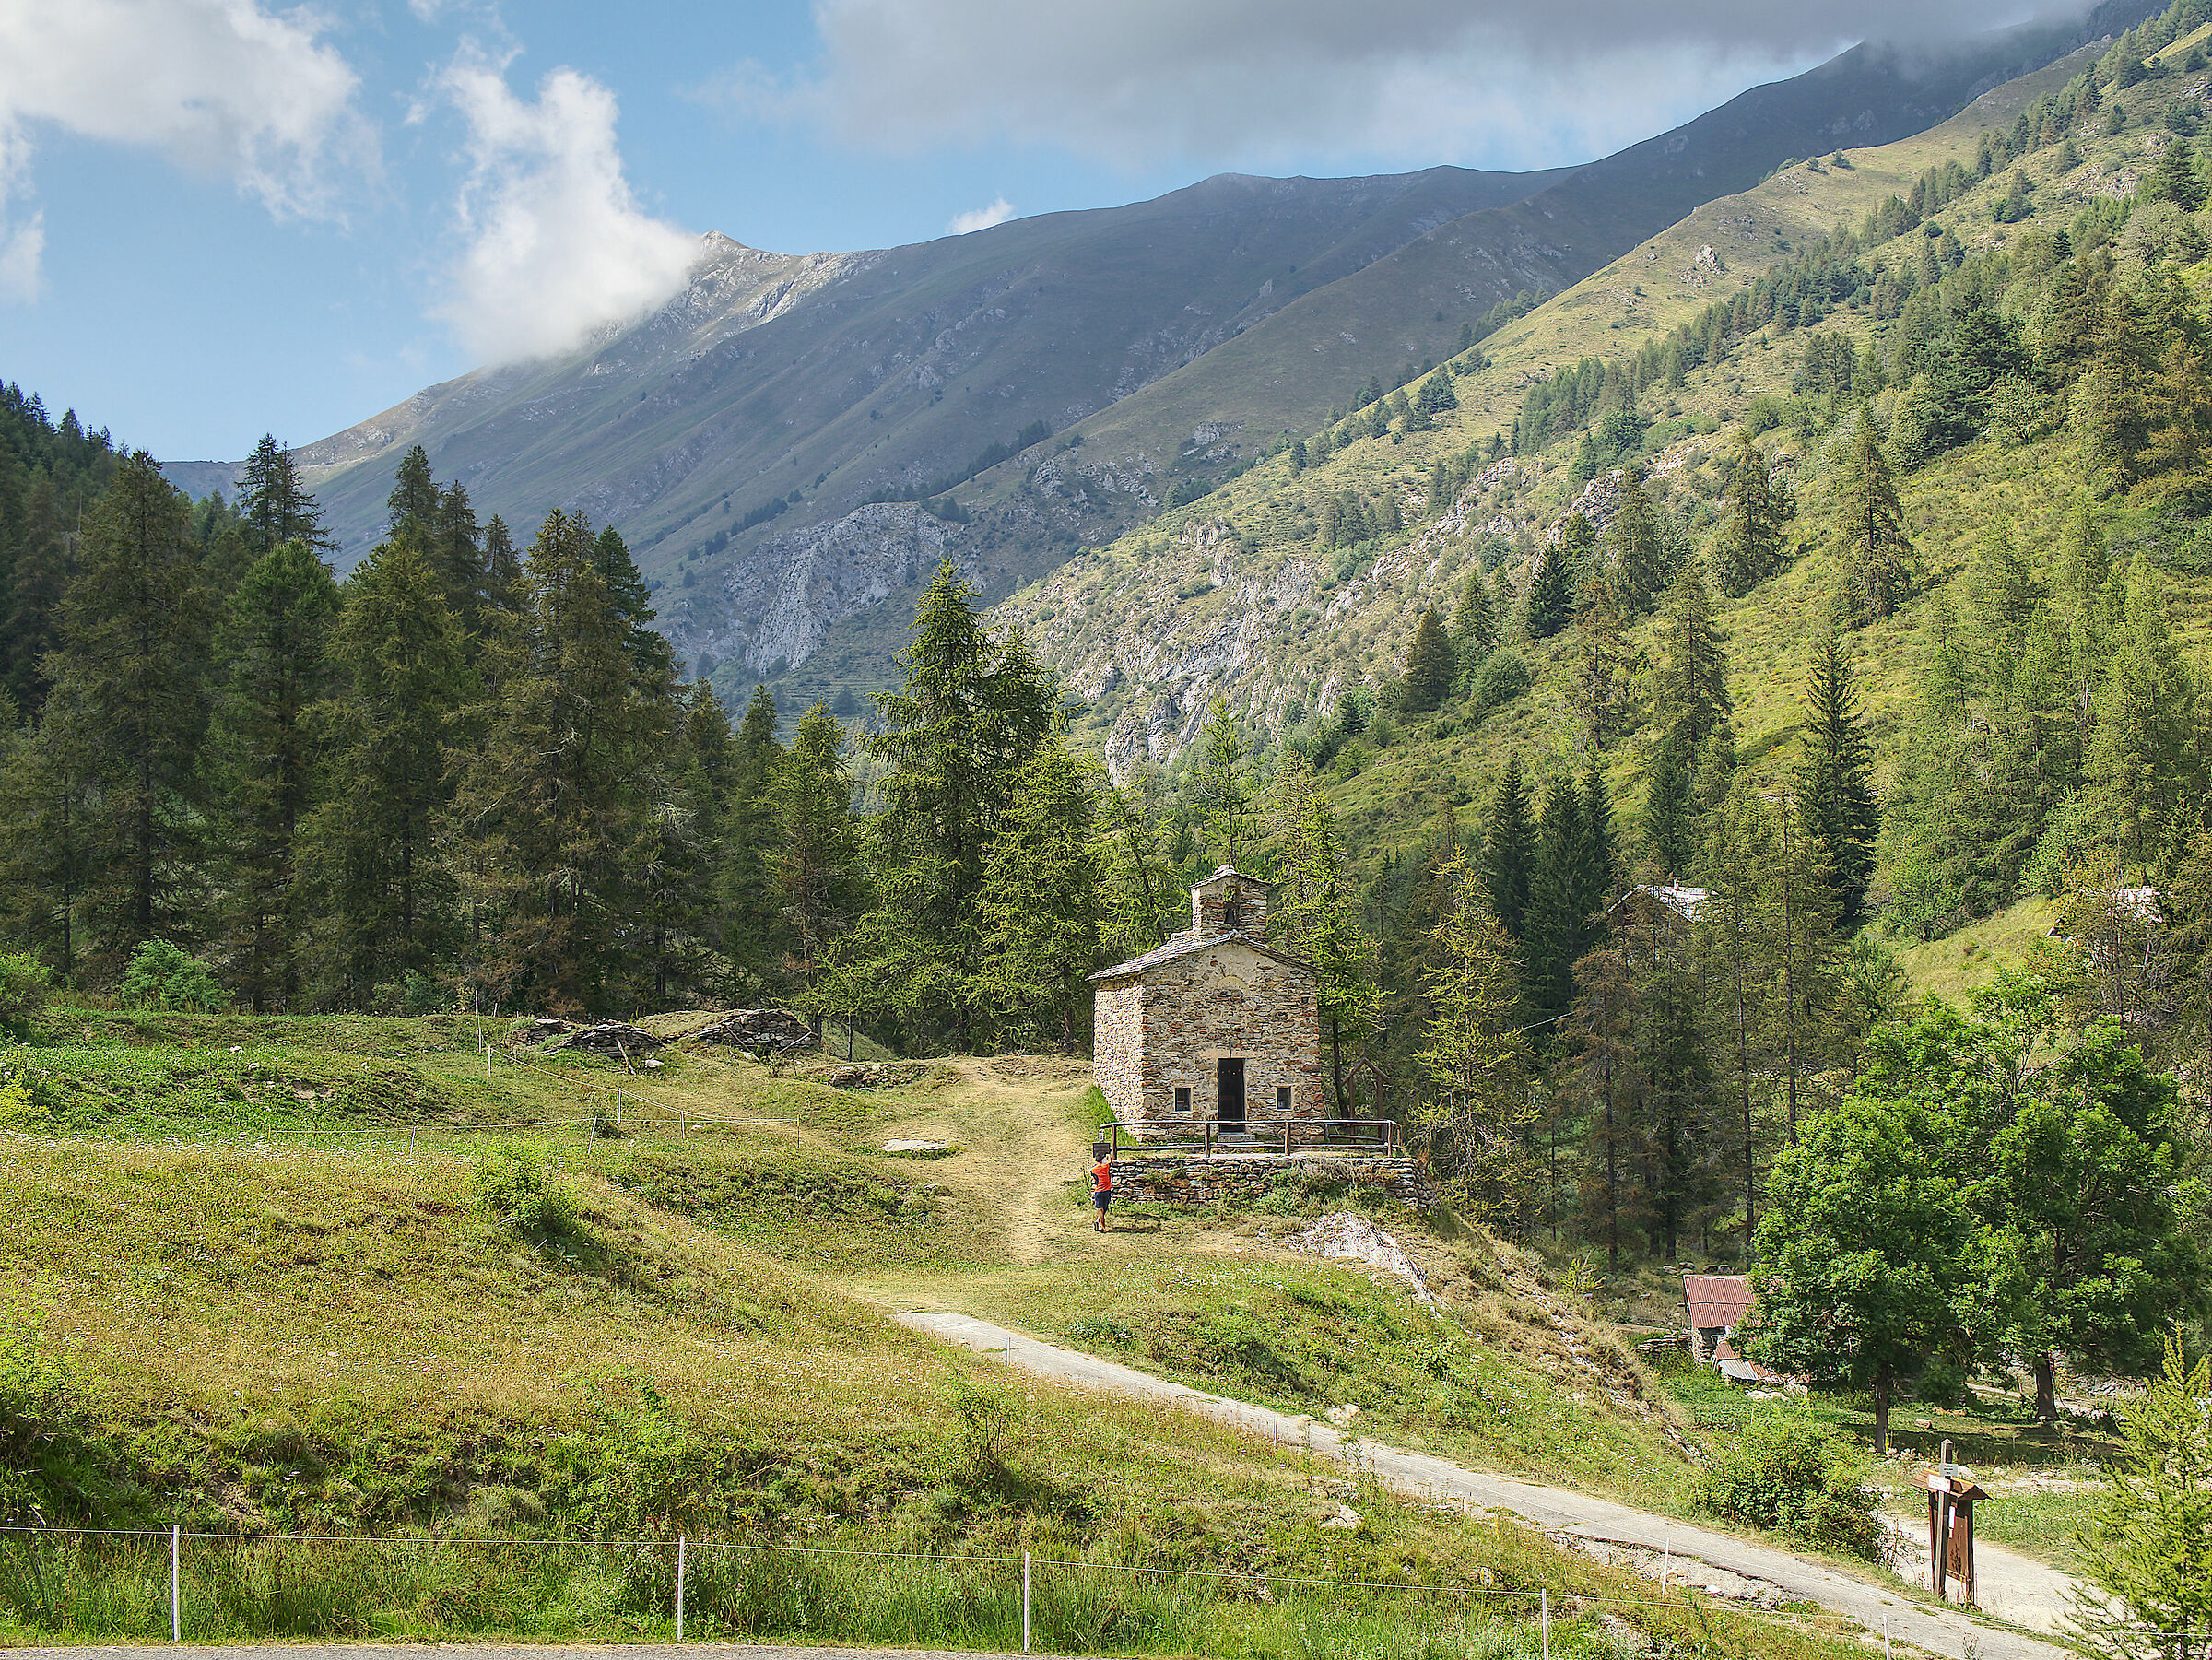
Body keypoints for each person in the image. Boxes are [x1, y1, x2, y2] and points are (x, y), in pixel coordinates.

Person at [1090, 1148, 1113, 1232]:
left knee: (1101, 1209)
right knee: (1104, 1208)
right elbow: (1109, 1161)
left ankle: (1101, 1225)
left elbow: (1094, 1179)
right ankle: (1099, 1223)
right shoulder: (1106, 1167)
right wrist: (1108, 1155)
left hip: (1099, 1191)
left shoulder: (1093, 1170)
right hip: (1107, 1190)